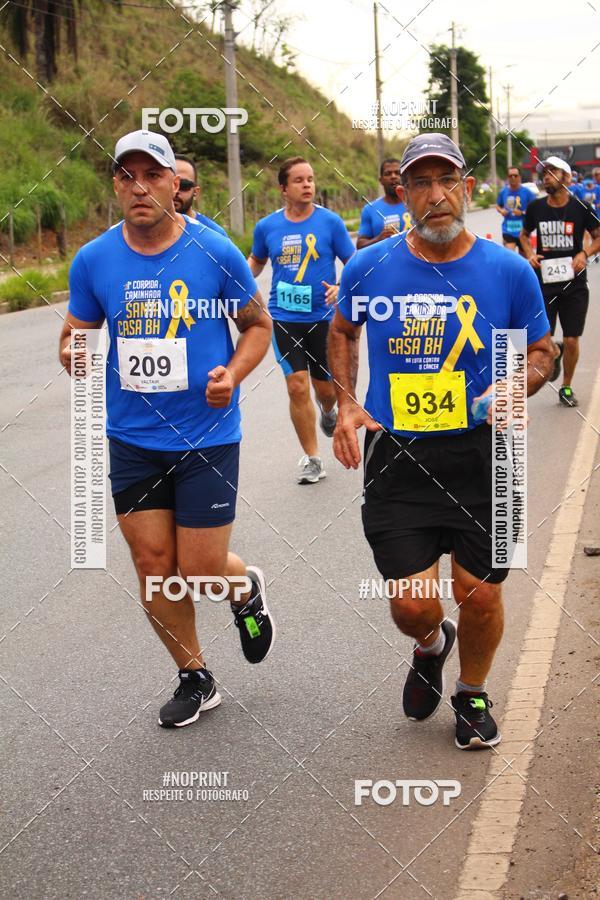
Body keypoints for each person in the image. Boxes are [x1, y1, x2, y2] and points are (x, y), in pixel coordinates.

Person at [328, 133, 554, 750]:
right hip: (397, 456)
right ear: (401, 193)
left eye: (446, 181)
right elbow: (343, 331)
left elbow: (542, 354)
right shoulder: (369, 266)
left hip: (487, 455)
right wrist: (347, 403)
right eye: (420, 183)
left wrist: (518, 384)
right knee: (412, 605)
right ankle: (430, 645)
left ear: (467, 189)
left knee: (480, 594)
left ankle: (472, 691)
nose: (435, 196)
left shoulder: (507, 271)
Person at [59, 130, 275, 729]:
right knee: (154, 566)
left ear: (174, 186)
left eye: (151, 175)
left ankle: (245, 589)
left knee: (199, 570)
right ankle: (194, 675)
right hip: (132, 439)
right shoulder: (95, 259)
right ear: (115, 186)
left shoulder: (215, 252)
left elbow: (259, 327)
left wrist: (231, 374)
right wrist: (74, 352)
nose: (139, 187)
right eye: (126, 176)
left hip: (206, 435)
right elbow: (75, 334)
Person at [248, 156, 355, 484]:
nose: (307, 184)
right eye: (299, 180)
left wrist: (340, 286)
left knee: (325, 390)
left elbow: (352, 262)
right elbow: (255, 262)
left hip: (323, 319)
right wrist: (234, 285)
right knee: (296, 385)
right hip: (283, 317)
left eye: (310, 179)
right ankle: (313, 459)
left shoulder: (330, 223)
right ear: (283, 188)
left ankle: (327, 411)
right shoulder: (267, 227)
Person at [520, 156, 600, 407]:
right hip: (543, 284)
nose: (546, 177)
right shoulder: (536, 208)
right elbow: (523, 236)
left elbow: (598, 237)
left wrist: (584, 253)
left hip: (574, 284)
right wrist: (530, 254)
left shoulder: (581, 207)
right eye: (544, 173)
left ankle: (566, 387)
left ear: (566, 177)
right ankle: (553, 352)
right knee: (541, 338)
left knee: (572, 338)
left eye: (552, 172)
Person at [356, 158, 413, 249]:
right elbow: (360, 245)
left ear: (404, 177)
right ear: (381, 180)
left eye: (397, 173)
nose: (393, 176)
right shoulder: (370, 209)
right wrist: (378, 239)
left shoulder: (416, 204)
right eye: (388, 173)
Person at [173, 153, 227, 236]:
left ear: (196, 192)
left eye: (184, 185)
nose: (176, 191)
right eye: (171, 184)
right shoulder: (147, 230)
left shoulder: (214, 234)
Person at [495, 166, 532, 252]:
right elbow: (497, 205)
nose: (513, 178)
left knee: (524, 261)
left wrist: (522, 213)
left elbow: (534, 208)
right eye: (510, 176)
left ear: (520, 177)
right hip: (508, 230)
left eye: (515, 175)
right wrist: (501, 211)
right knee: (509, 257)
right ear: (507, 178)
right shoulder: (503, 191)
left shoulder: (527, 192)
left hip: (523, 231)